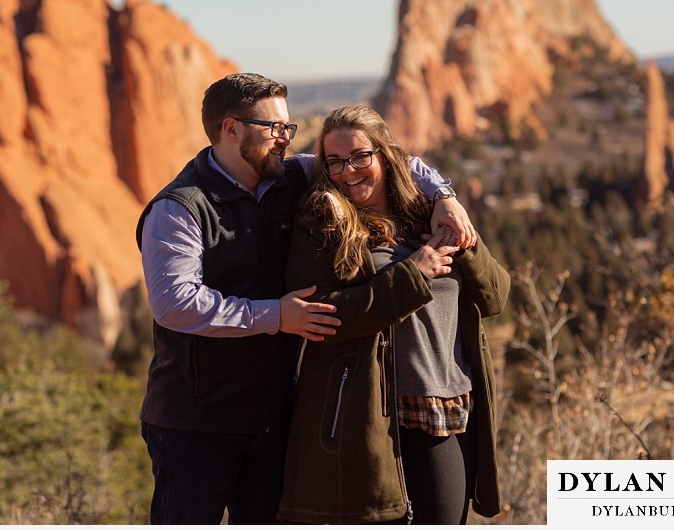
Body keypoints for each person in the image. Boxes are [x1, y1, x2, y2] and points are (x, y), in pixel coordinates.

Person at [135, 73, 477, 524]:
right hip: (195, 422)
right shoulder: (179, 207)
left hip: (276, 419)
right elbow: (174, 302)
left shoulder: (288, 176)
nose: (284, 139)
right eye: (273, 127)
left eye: (288, 128)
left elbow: (381, 159)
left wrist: (444, 194)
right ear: (230, 129)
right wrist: (277, 315)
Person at [277, 104, 510, 524]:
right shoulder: (324, 222)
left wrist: (463, 235)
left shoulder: (427, 212)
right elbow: (322, 318)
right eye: (335, 162)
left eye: (360, 157)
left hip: (448, 404)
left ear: (385, 154)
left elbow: (495, 297)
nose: (348, 171)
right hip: (370, 412)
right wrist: (412, 274)